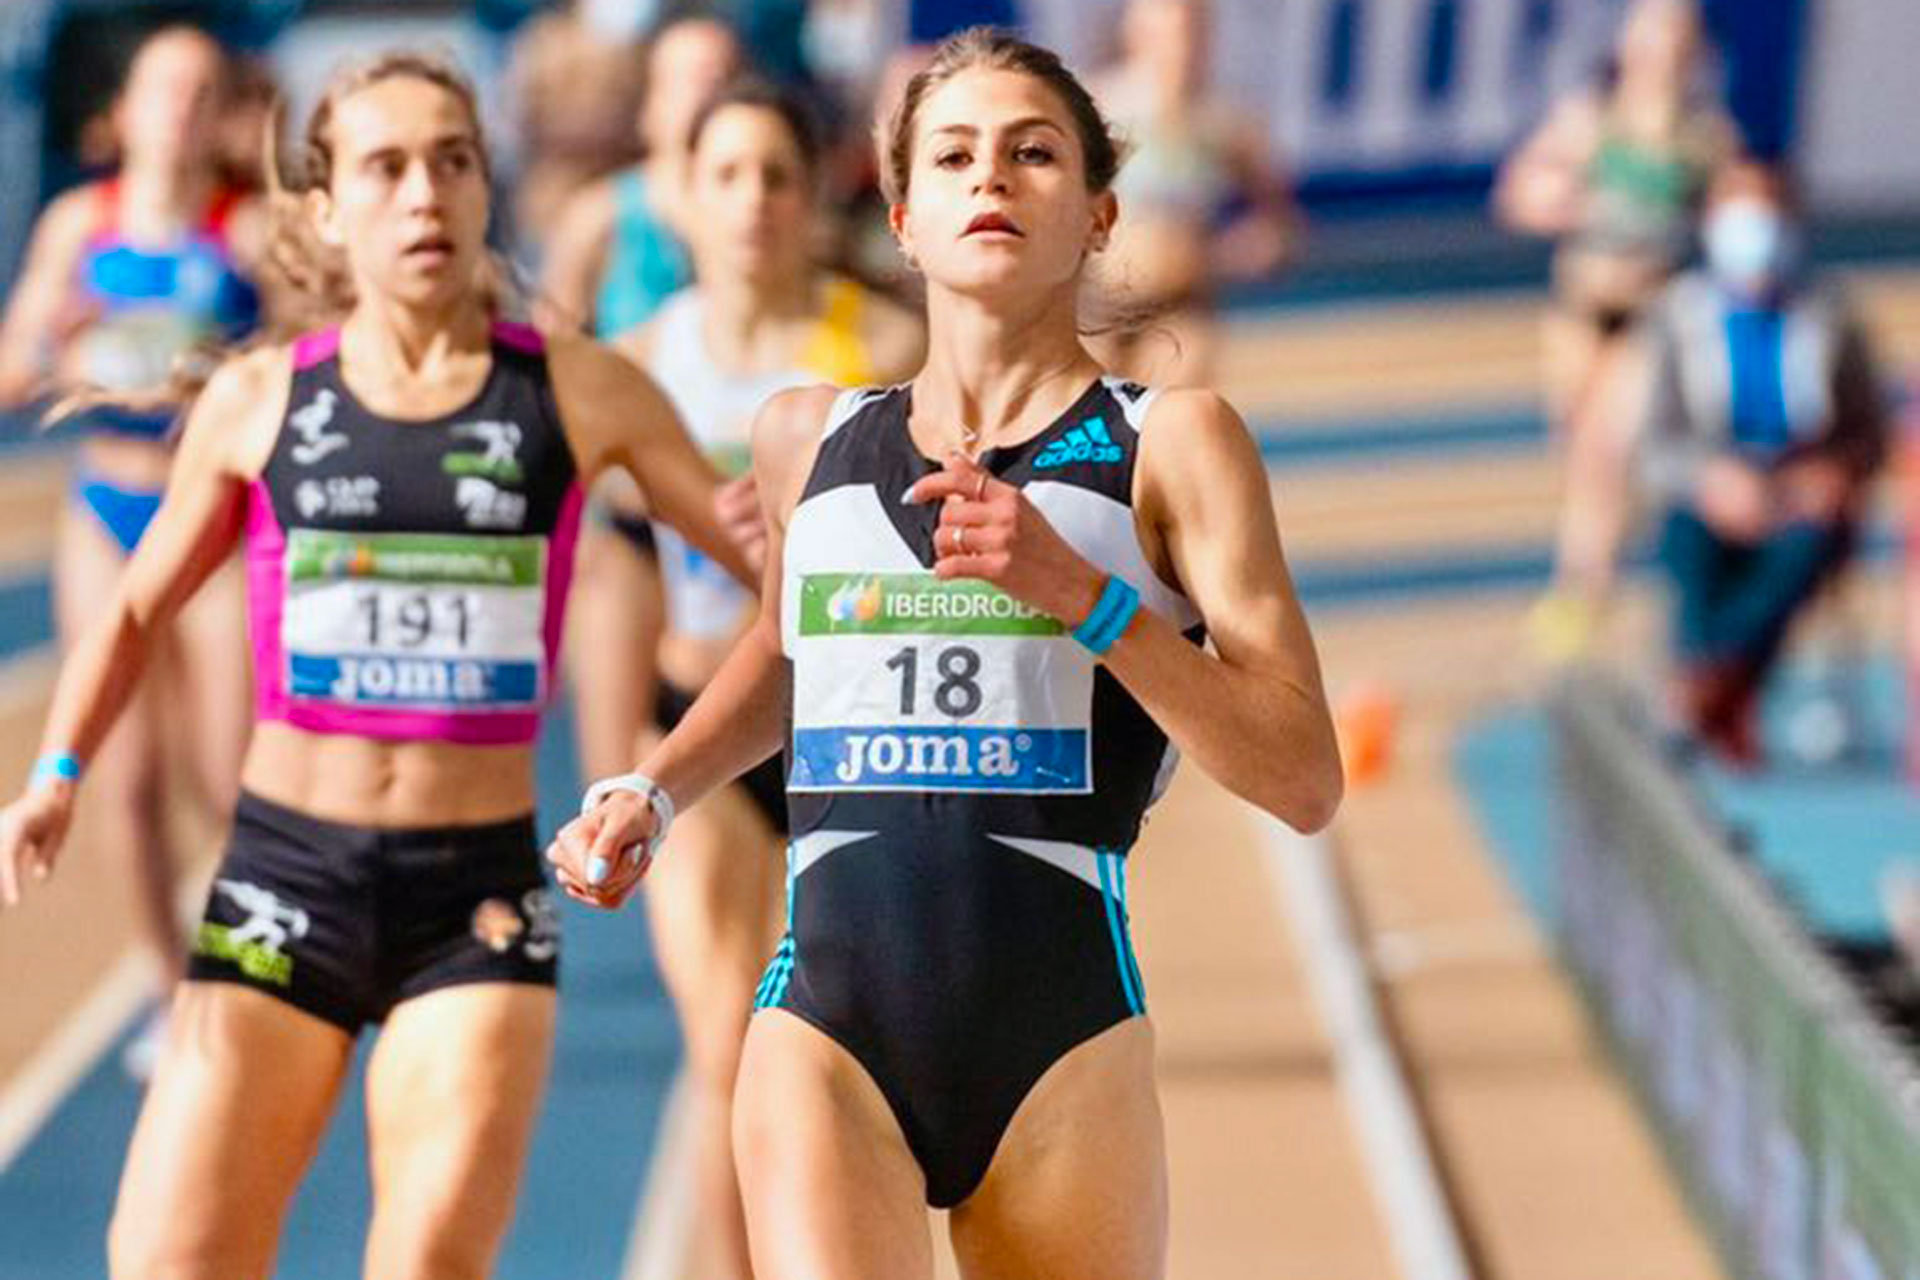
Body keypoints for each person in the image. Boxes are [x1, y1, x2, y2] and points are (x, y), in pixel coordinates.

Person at [548, 28, 1341, 1278]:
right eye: (957, 155)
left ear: (1096, 213)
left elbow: (1305, 776)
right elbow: (786, 654)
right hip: (827, 1027)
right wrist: (655, 786)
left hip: (1064, 1042)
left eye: (1034, 154)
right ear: (904, 217)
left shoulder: (1176, 443)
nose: (993, 179)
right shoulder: (807, 433)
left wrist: (1082, 597)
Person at [0, 50, 750, 1280]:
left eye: (453, 162)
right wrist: (58, 771)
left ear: (483, 188)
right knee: (162, 1256)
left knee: (428, 1262)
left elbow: (779, 590)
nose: (424, 195)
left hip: (475, 904)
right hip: (280, 880)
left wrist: (662, 775)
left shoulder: (580, 390)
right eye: (387, 167)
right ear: (328, 210)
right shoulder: (257, 400)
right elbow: (132, 615)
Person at [609, 77, 923, 1280]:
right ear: (684, 198)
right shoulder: (637, 365)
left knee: (836, 1054)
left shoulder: (883, 348)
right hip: (697, 717)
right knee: (725, 1048)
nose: (751, 202)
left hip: (836, 731)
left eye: (776, 176)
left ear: (812, 195)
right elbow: (599, 569)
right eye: (726, 175)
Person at [0, 25, 263, 1075]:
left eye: (204, 90)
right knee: (129, 779)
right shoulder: (80, 223)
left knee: (230, 769)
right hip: (106, 503)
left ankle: (252, 967)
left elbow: (303, 355)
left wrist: (241, 359)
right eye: (166, 89)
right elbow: (14, 369)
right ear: (126, 110)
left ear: (223, 110)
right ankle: (168, 990)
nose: (184, 109)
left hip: (211, 518)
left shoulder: (245, 230)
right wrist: (51, 337)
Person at [1495, 0, 1739, 655]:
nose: (1663, 47)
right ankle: (1592, 573)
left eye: (1677, 34)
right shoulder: (1590, 119)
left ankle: (1585, 587)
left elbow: (1736, 218)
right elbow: (1518, 190)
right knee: (1577, 447)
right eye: (1652, 29)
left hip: (1652, 319)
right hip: (1578, 314)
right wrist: (1558, 200)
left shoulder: (1704, 138)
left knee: (1607, 448)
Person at [545, 15, 744, 802]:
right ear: (649, 106)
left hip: (735, 524)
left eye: (719, 78)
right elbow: (547, 368)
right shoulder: (603, 219)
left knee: (742, 777)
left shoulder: (769, 213)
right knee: (615, 777)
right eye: (684, 80)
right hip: (627, 528)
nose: (702, 98)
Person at [1637, 162, 1886, 765]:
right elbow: (1655, 443)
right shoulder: (1680, 314)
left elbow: (1866, 432)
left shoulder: (1829, 315)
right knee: (1688, 540)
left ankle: (1703, 690)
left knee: (1799, 549)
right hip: (1713, 488)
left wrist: (1831, 473)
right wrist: (1710, 478)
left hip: (1800, 491)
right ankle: (1720, 688)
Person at [1086, 0, 1298, 387]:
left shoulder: (1225, 125)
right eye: (1164, 34)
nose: (1179, 47)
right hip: (1099, 310)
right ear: (1134, 34)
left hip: (1183, 308)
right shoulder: (1099, 110)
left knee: (1176, 424)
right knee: (1093, 433)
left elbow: (1281, 224)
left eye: (1190, 33)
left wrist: (1253, 247)